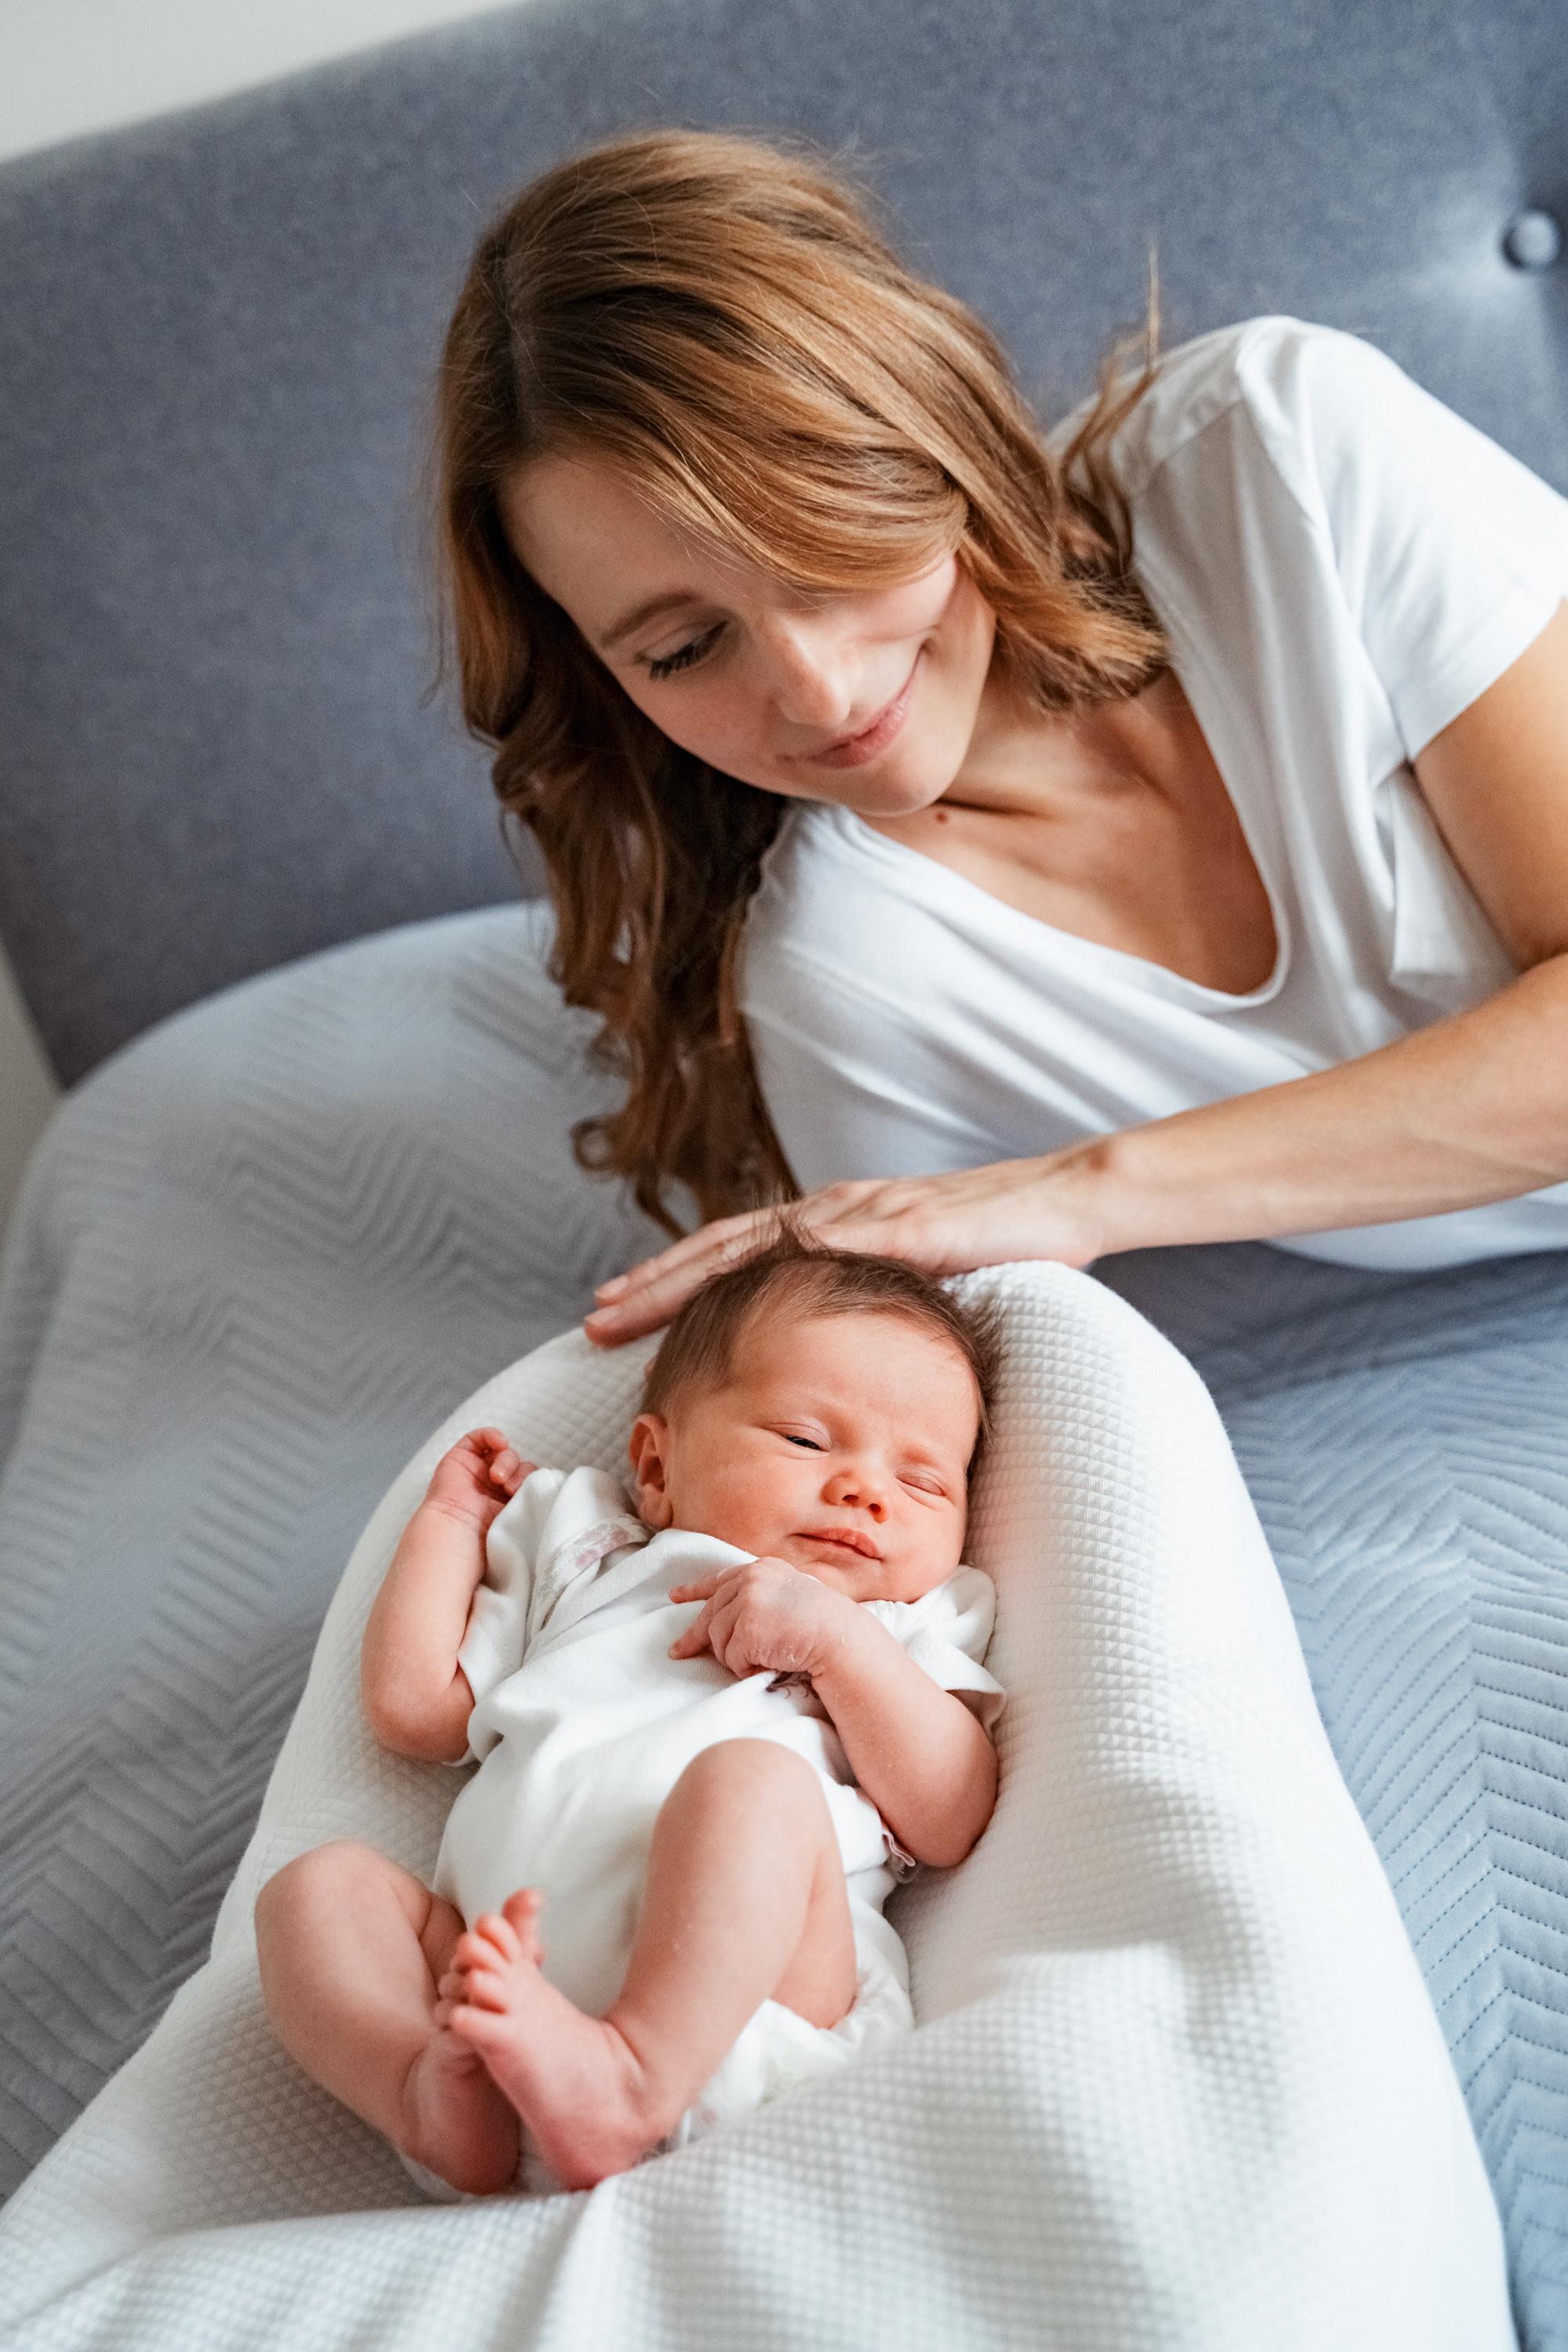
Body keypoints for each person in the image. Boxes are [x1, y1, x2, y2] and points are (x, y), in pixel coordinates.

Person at [433, 128, 1568, 1347]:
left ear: (924, 433)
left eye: (823, 552)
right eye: (683, 650)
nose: (818, 697)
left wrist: (1088, 1191)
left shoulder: (1281, 451)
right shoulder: (855, 977)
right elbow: (899, 1392)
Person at [255, 1238, 1004, 2196]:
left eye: (922, 1482)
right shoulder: (591, 1552)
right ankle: (424, 2094)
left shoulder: (903, 1620)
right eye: (807, 1441)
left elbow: (950, 1814)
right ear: (655, 1464)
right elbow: (413, 1708)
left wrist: (835, 1644)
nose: (865, 1491)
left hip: (750, 2012)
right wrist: (447, 1528)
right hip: (494, 2003)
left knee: (753, 1783)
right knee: (321, 1889)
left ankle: (630, 2076)